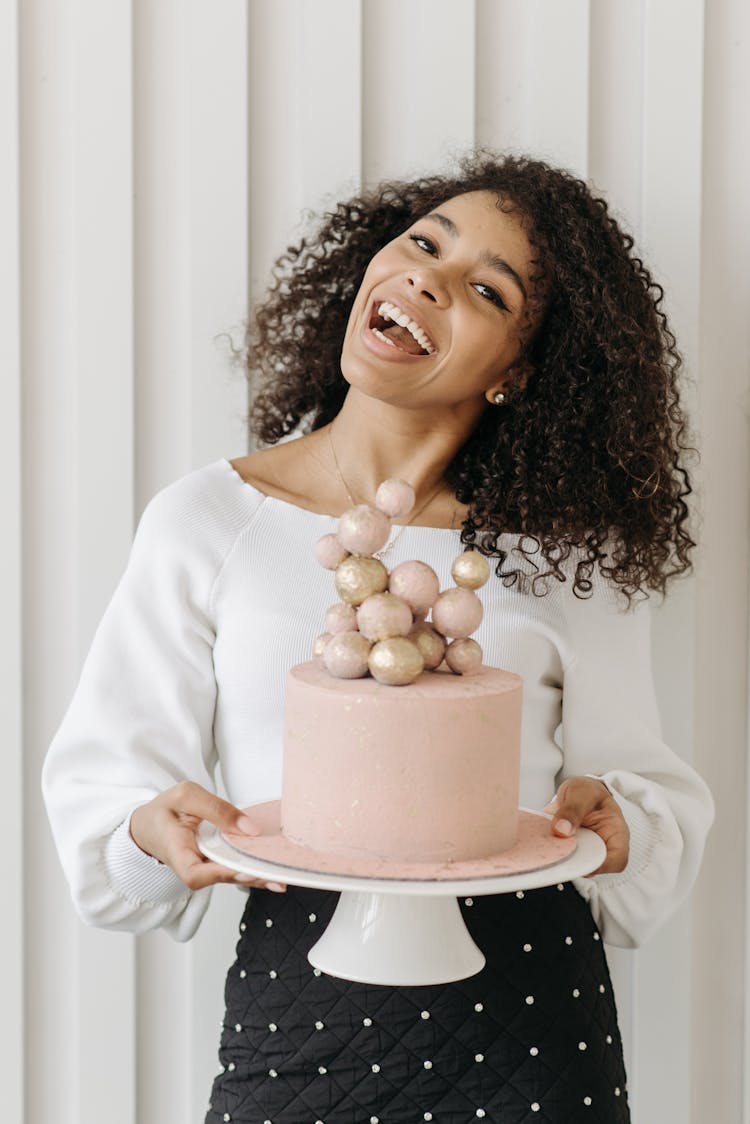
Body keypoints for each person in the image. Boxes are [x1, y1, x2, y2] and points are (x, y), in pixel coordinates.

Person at [43, 152, 713, 1123]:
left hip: (530, 1016)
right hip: (302, 1007)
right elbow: (108, 805)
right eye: (422, 242)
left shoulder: (571, 559)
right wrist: (152, 831)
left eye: (486, 287)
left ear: (519, 370)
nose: (428, 277)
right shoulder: (206, 522)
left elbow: (649, 801)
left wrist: (623, 826)